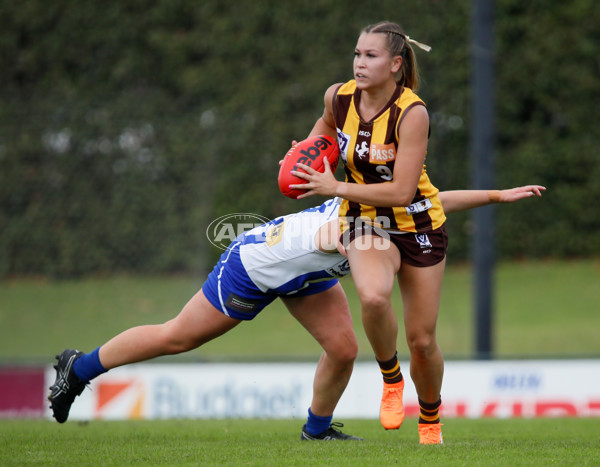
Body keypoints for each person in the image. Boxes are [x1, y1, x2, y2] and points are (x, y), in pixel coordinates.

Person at [48, 186, 544, 442]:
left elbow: (433, 205)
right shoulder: (358, 218)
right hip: (254, 267)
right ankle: (79, 367)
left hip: (306, 276)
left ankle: (316, 431)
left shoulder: (386, 204)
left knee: (344, 349)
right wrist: (361, 251)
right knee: (179, 337)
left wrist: (499, 196)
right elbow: (342, 241)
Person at [287, 20, 536, 444]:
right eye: (357, 54)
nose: (359, 63)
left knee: (422, 341)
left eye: (371, 56)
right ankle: (390, 377)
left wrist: (334, 186)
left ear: (396, 64)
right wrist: (303, 159)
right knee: (372, 294)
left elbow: (404, 192)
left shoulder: (412, 112)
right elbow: (325, 129)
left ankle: (430, 418)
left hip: (418, 225)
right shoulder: (339, 96)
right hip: (365, 221)